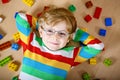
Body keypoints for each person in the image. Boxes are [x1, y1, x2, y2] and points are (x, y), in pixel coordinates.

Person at [15, 7, 104, 80]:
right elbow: (20, 17)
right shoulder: (31, 42)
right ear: (41, 32)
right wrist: (43, 24)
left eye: (62, 33)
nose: (55, 37)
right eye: (50, 31)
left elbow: (98, 46)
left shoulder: (72, 55)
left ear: (69, 38)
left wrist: (74, 33)